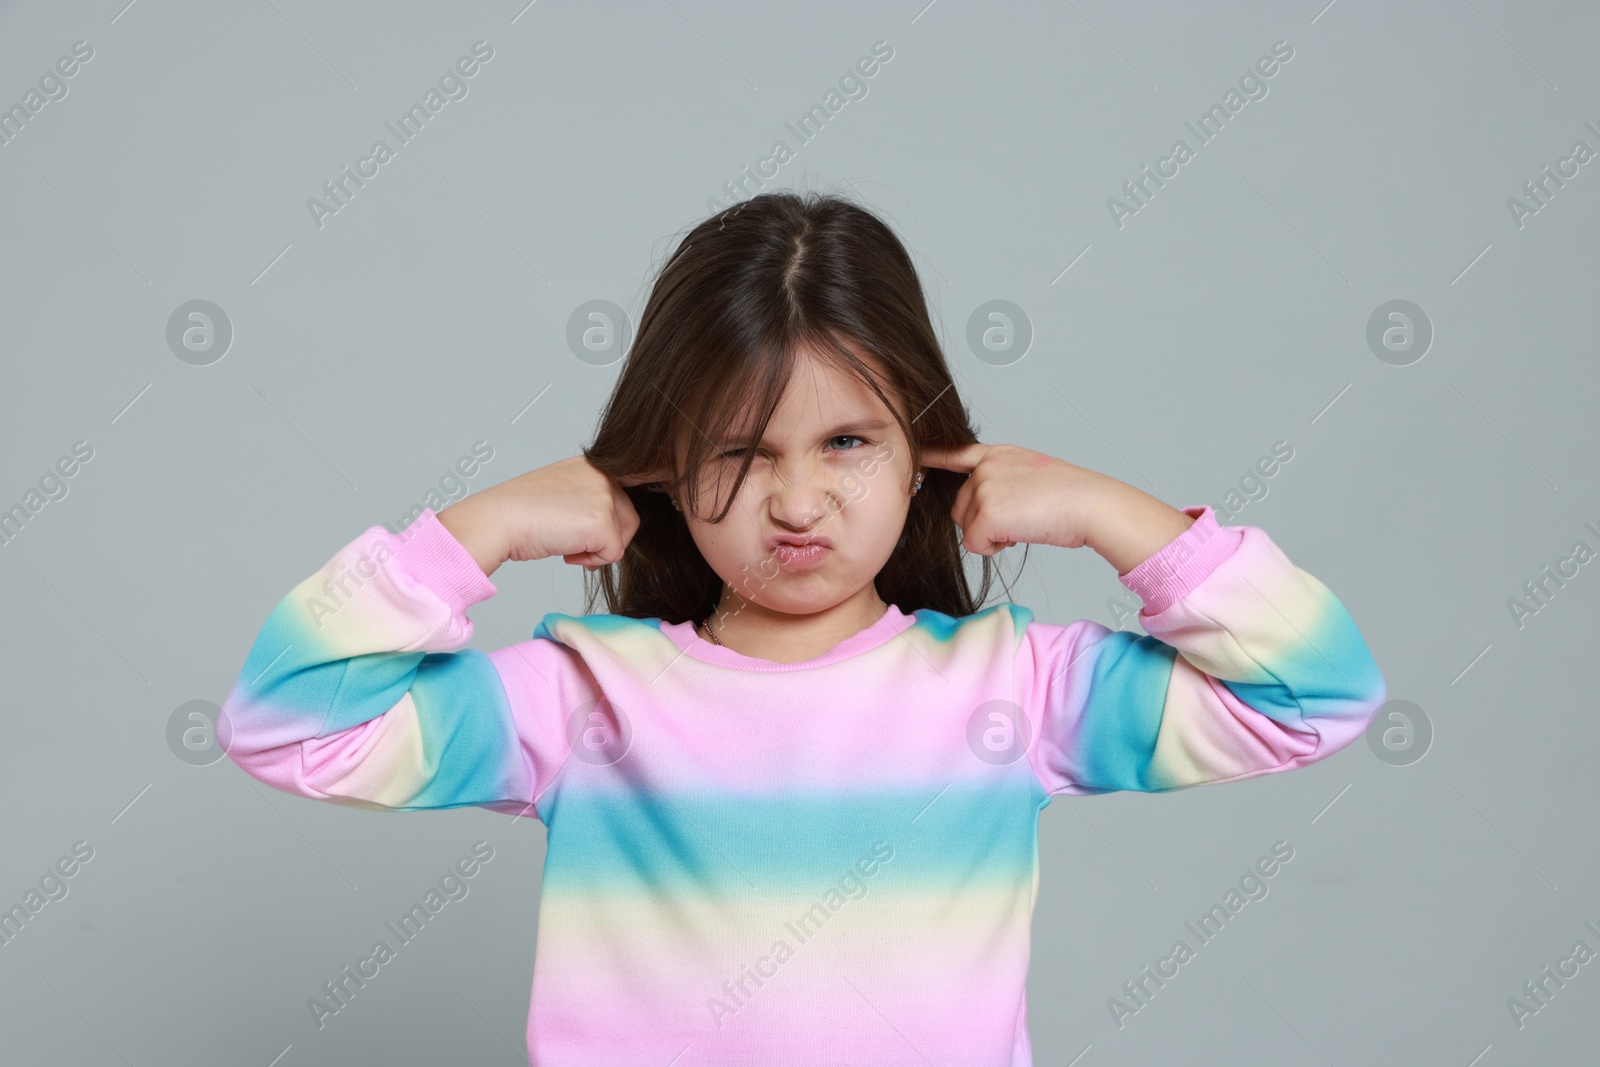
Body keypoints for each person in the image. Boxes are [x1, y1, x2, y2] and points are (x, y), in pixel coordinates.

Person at [218, 189, 1386, 1065]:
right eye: (739, 450)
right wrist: (470, 531)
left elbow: (1314, 696)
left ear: (920, 444)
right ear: (665, 466)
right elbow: (285, 725)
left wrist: (1110, 511)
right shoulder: (581, 700)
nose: (795, 501)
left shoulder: (1012, 686)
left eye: (846, 442)